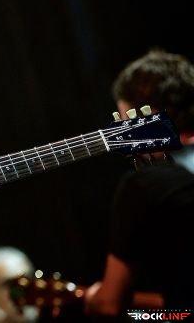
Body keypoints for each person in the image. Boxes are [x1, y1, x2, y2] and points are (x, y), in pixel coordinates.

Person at [85, 50, 194, 316]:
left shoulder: (143, 186)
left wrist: (93, 298)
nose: (125, 136)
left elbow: (109, 306)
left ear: (146, 117)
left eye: (127, 123)